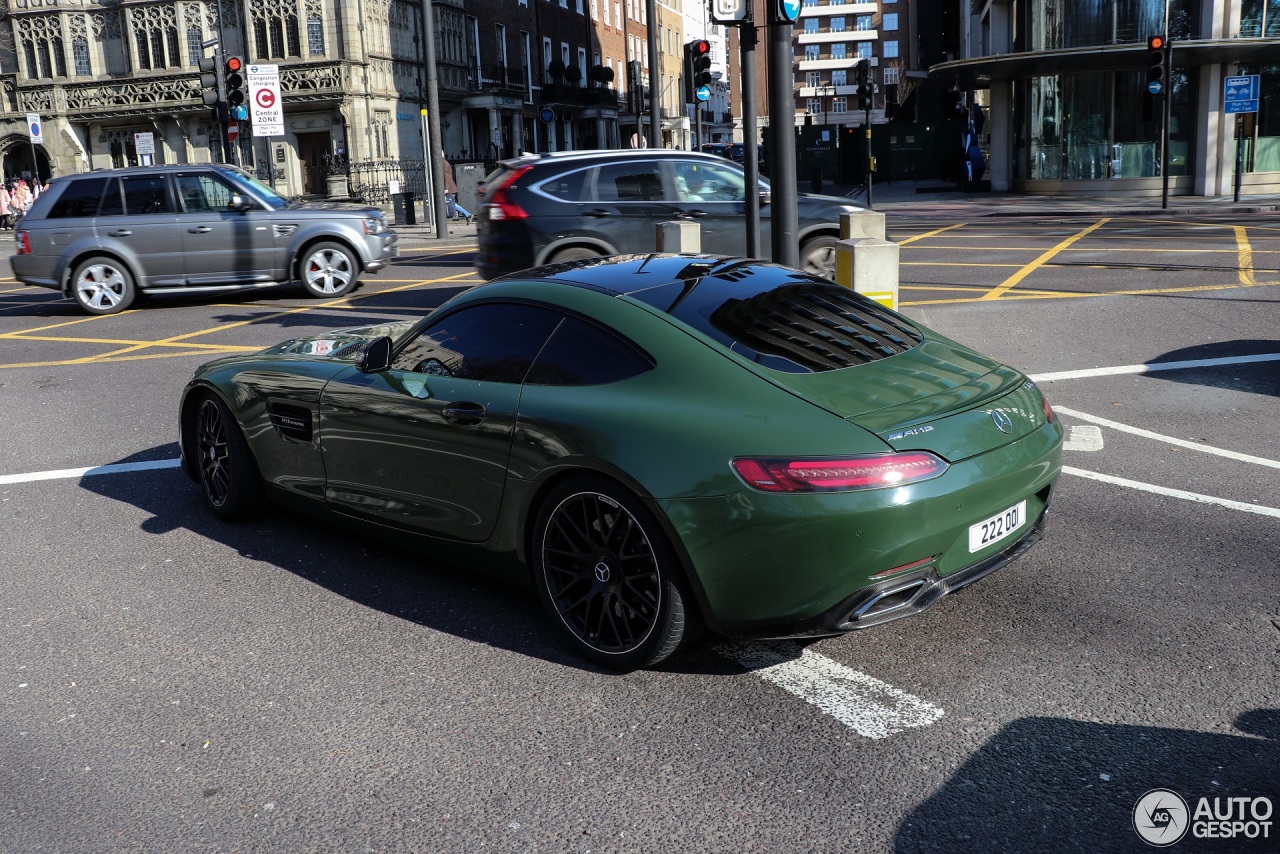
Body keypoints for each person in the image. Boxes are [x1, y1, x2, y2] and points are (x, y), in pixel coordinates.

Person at [441, 153, 472, 224]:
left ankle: (468, 214)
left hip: (448, 188)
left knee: (450, 204)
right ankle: (468, 215)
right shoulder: (444, 162)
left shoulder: (443, 163)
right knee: (451, 204)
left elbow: (446, 176)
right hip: (449, 187)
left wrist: (446, 188)